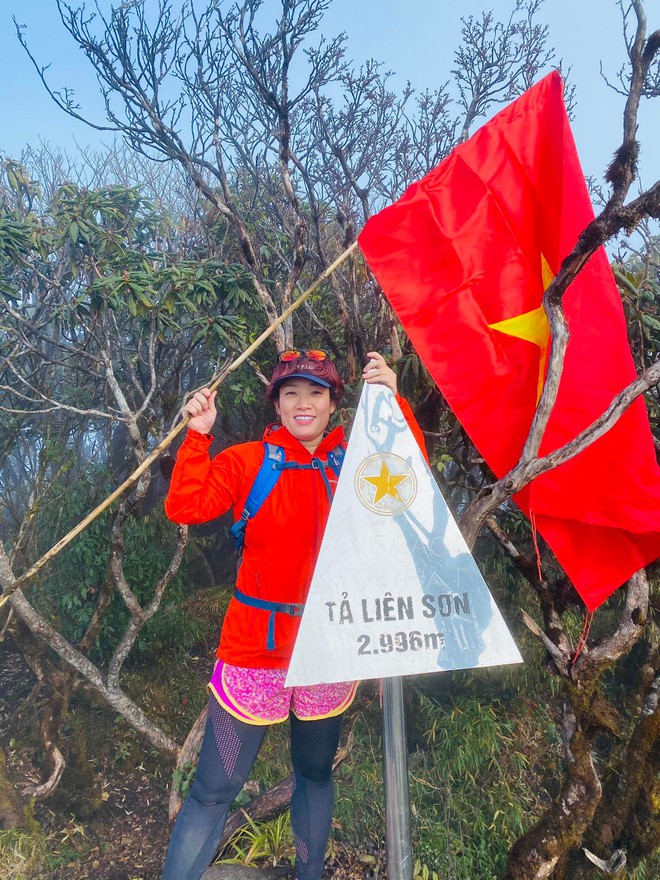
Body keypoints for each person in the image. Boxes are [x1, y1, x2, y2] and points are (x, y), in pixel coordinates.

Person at [162, 349, 426, 880]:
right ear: (277, 404)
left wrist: (392, 403)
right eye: (291, 393)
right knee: (214, 789)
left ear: (333, 404)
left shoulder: (355, 463)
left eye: (316, 393)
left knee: (314, 775)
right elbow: (185, 507)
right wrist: (198, 434)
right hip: (254, 650)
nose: (303, 404)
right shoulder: (246, 461)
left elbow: (410, 482)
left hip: (329, 647)